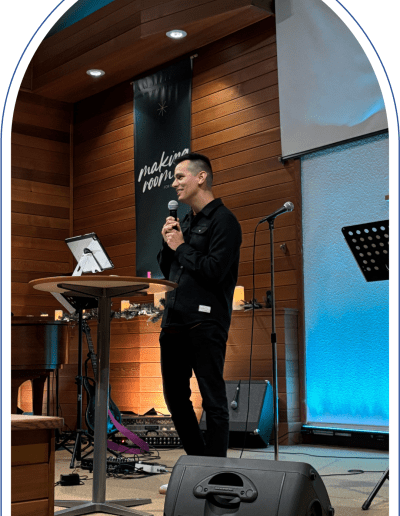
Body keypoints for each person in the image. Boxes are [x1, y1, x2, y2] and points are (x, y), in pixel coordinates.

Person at [157, 152, 242, 457]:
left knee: (212, 399)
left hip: (205, 322)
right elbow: (170, 270)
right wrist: (168, 243)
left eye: (180, 177)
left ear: (201, 177)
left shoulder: (224, 221)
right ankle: (197, 460)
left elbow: (214, 270)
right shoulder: (185, 221)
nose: (174, 183)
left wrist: (181, 247)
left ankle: (216, 468)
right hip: (174, 321)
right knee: (175, 398)